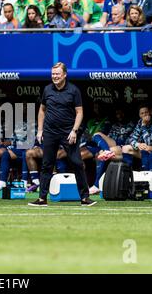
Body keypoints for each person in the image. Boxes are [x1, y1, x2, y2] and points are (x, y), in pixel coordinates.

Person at [28, 62, 96, 207]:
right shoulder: (47, 89)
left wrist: (74, 131)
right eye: (53, 74)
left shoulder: (73, 90)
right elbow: (42, 110)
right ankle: (42, 199)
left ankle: (85, 198)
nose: (55, 76)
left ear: (64, 74)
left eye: (57, 74)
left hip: (67, 133)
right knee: (47, 165)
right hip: (50, 132)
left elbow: (80, 112)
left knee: (77, 163)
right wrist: (40, 130)